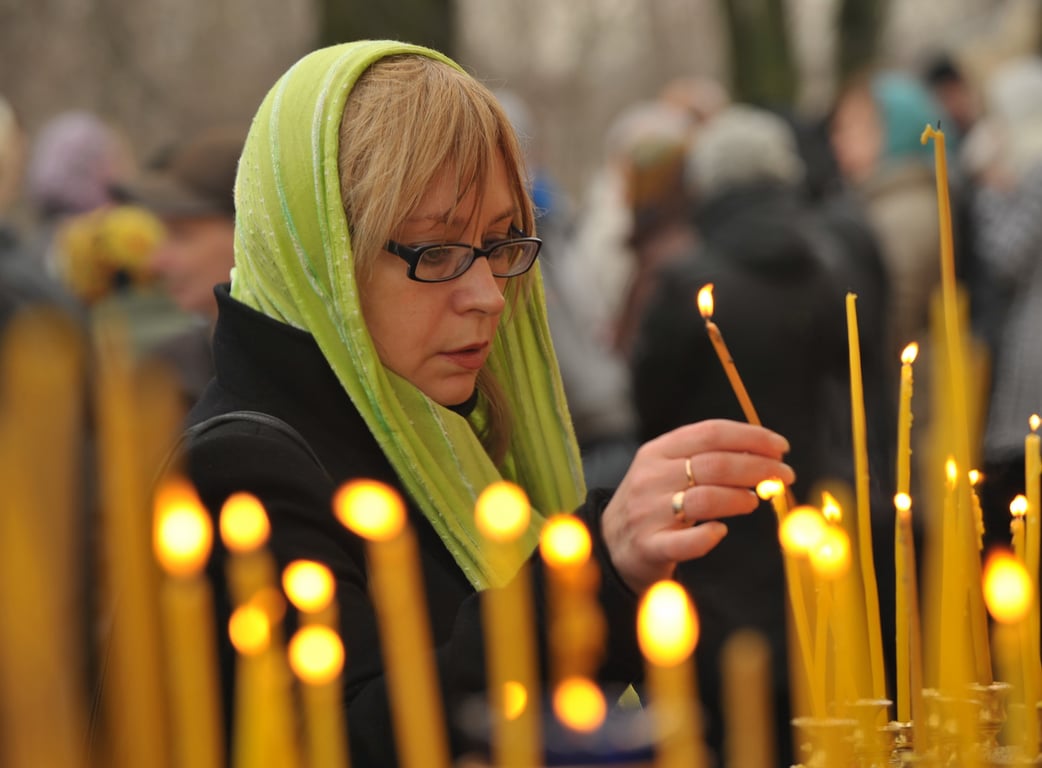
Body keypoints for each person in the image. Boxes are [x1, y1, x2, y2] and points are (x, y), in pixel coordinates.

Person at [176, 40, 794, 766]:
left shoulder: (446, 428)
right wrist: (588, 574)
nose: (488, 295)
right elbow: (352, 743)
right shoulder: (241, 475)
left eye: (501, 241)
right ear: (322, 261)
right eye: (434, 252)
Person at [629, 104, 855, 766]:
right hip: (813, 519)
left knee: (725, 727)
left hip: (711, 531)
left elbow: (651, 409)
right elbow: (856, 389)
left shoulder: (684, 277)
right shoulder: (831, 263)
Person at [112, 126, 245, 402]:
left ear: (246, 233)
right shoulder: (166, 370)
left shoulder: (309, 373)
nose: (155, 262)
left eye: (181, 235)